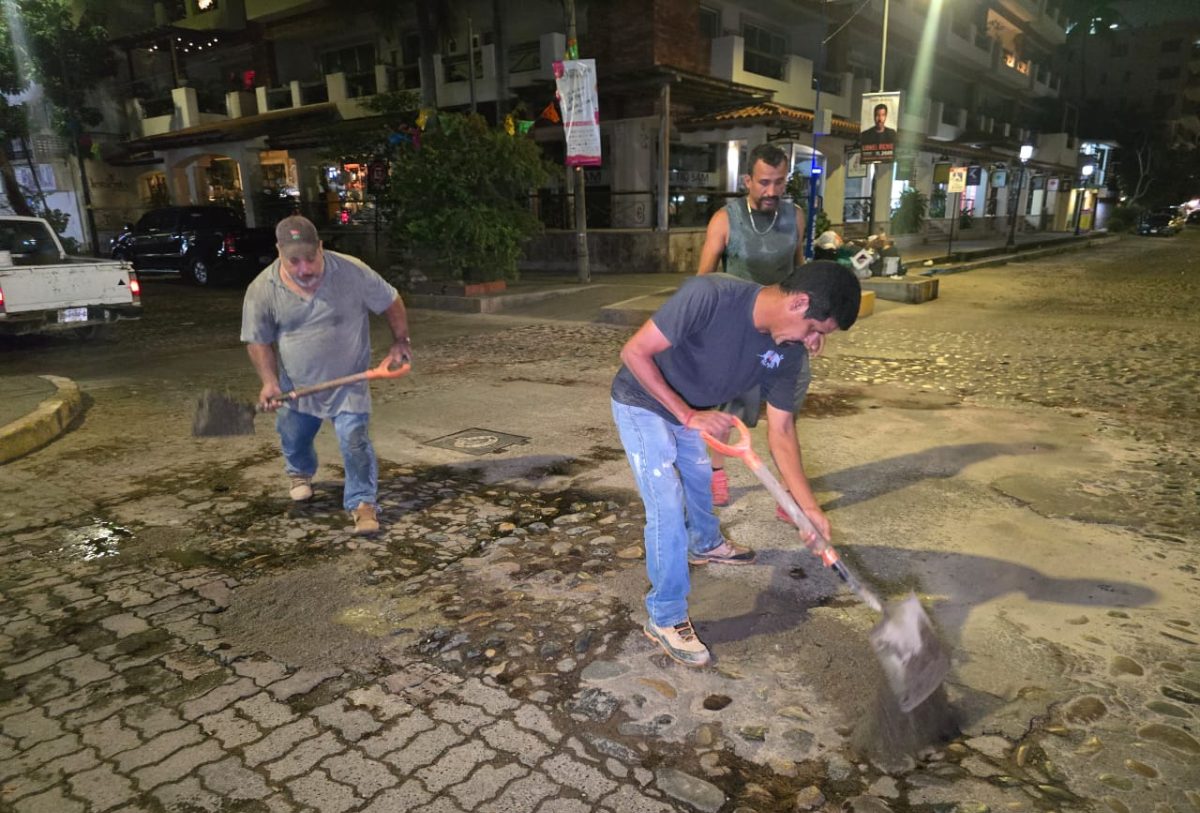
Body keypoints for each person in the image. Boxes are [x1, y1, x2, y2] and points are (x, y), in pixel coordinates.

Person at [611, 262, 862, 666]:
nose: (815, 343)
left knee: (698, 479)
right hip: (641, 400)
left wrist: (808, 509)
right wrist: (688, 415)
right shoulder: (710, 296)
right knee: (667, 504)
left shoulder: (789, 352)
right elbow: (634, 352)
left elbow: (782, 433)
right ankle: (666, 615)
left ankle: (706, 544)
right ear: (799, 302)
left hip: (693, 408)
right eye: (816, 329)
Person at [241, 215, 412, 535]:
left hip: (350, 379)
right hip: (297, 382)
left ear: (321, 247)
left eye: (310, 258)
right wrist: (269, 381)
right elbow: (258, 339)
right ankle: (299, 472)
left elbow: (390, 300)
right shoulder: (262, 289)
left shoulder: (352, 271)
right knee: (294, 436)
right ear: (279, 252)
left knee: (354, 439)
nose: (304, 268)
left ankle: (362, 502)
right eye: (294, 261)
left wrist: (400, 341)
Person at [697, 143, 814, 518]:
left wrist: (810, 322)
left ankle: (789, 491)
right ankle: (716, 475)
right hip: (738, 330)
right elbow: (703, 280)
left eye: (779, 182)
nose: (771, 191)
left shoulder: (794, 216)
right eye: (764, 182)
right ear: (748, 180)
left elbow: (799, 269)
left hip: (786, 329)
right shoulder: (725, 219)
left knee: (786, 412)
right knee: (728, 411)